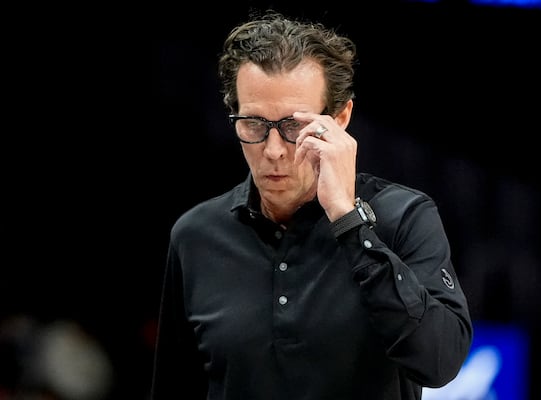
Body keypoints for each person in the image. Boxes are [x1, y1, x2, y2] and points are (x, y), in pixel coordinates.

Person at [150, 10, 472, 400]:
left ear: (341, 118)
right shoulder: (195, 235)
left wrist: (348, 219)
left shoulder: (402, 216)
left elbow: (440, 363)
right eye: (253, 123)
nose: (273, 151)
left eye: (294, 126)